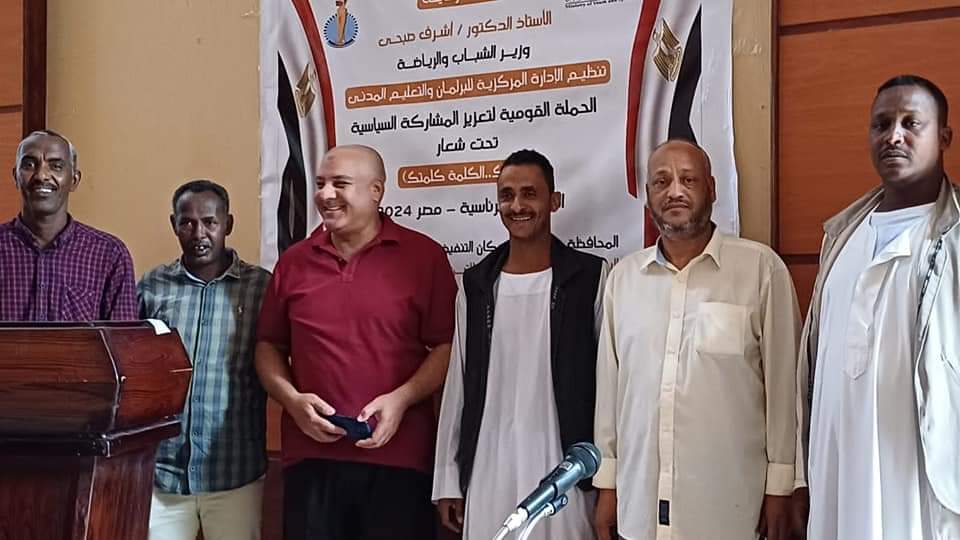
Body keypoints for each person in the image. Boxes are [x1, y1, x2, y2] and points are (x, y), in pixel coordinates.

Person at [593, 139, 801, 540]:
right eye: (661, 181)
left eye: (688, 179)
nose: (674, 191)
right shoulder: (623, 279)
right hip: (640, 507)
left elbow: (784, 390)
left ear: (712, 189)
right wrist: (607, 483)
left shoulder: (760, 270)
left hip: (729, 509)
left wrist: (781, 485)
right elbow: (610, 392)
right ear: (647, 195)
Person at [255, 145, 457, 540]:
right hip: (310, 459)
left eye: (340, 184)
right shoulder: (293, 262)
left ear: (376, 190)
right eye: (320, 184)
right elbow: (268, 346)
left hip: (399, 460)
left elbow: (447, 348)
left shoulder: (424, 257)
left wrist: (402, 399)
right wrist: (292, 401)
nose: (325, 195)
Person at [797, 75, 960, 539]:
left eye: (912, 123)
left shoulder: (954, 236)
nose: (894, 136)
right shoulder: (842, 237)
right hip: (836, 470)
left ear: (944, 136)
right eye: (882, 124)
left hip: (918, 478)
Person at [433, 149, 608, 540]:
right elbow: (459, 384)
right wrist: (448, 478)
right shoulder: (477, 285)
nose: (517, 206)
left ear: (554, 200)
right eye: (506, 195)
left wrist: (607, 475)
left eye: (529, 193)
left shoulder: (590, 277)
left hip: (564, 466)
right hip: (489, 463)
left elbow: (608, 383)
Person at [139, 180, 271, 539]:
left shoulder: (261, 288)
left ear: (228, 224)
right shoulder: (151, 287)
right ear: (174, 224)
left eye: (210, 222)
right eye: (187, 222)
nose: (199, 233)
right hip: (164, 475)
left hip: (235, 472)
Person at [0, 129, 136, 321]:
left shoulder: (109, 254)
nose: (41, 175)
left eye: (56, 166)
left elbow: (123, 338)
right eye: (29, 165)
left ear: (74, 180)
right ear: (16, 176)